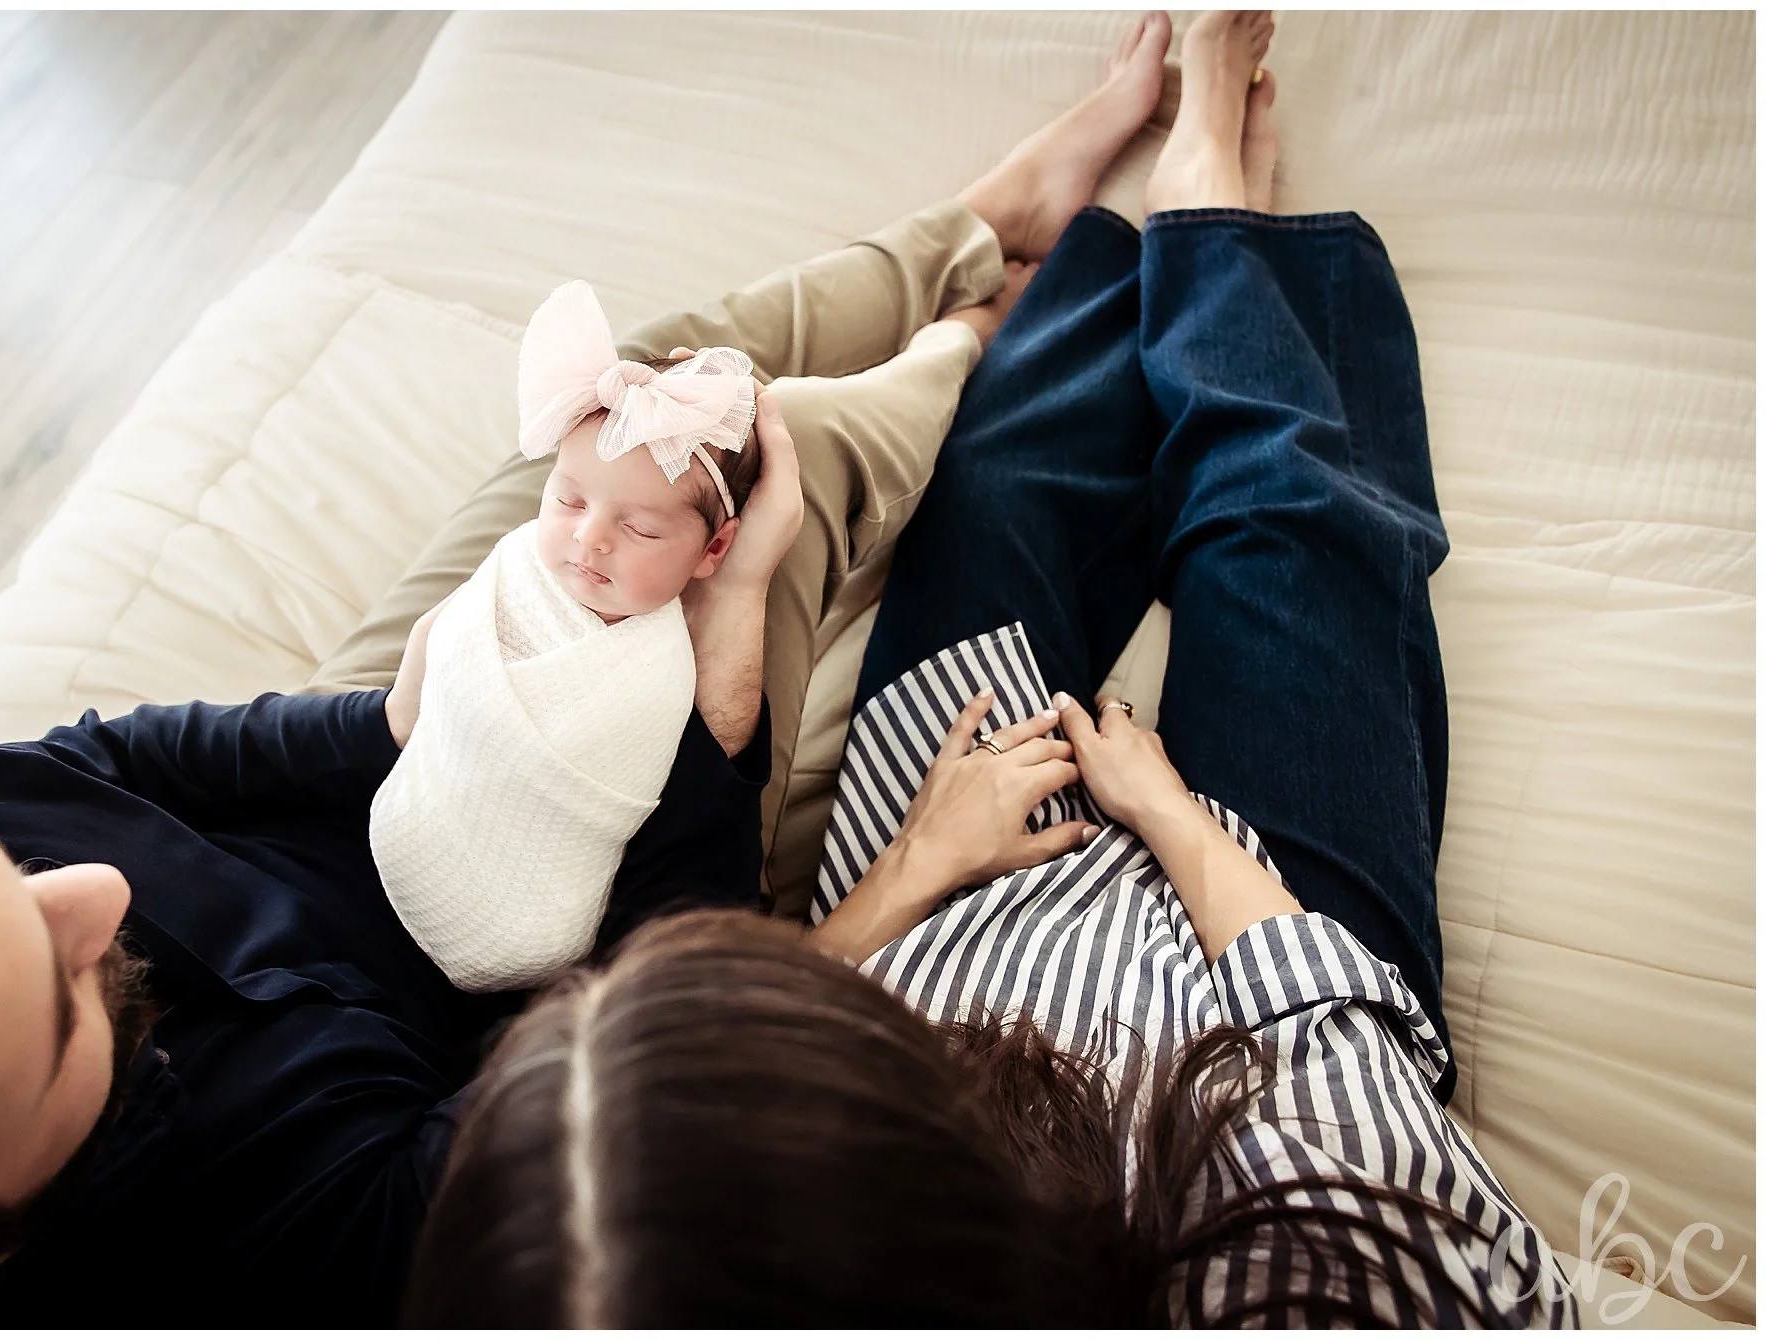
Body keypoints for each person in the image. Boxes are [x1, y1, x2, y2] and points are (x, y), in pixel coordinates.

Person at [0, 34, 1151, 1327]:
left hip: (395, 754)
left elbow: (101, 768)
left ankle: (980, 219)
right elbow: (634, 1042)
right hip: (581, 891)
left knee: (624, 417)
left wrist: (394, 724)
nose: (91, 891)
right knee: (790, 460)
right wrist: (720, 665)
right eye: (50, 999)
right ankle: (976, 332)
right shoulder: (308, 1253)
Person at [402, 11, 1577, 1326]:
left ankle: (1082, 245)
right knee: (1289, 504)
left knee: (999, 477)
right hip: (1279, 927)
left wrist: (921, 860)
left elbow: (763, 994)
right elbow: (1336, 1034)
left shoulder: (643, 1202)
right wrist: (1167, 815)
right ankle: (1209, 206)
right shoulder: (1347, 1259)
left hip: (951, 874)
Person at [372, 277, 1028, 992]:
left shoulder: (571, 535)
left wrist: (399, 703)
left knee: (631, 378)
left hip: (354, 745)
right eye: (569, 501)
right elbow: (678, 969)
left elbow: (254, 745)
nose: (588, 541)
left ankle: (969, 238)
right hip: (502, 900)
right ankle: (961, 327)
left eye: (633, 528)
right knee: (797, 438)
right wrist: (739, 587)